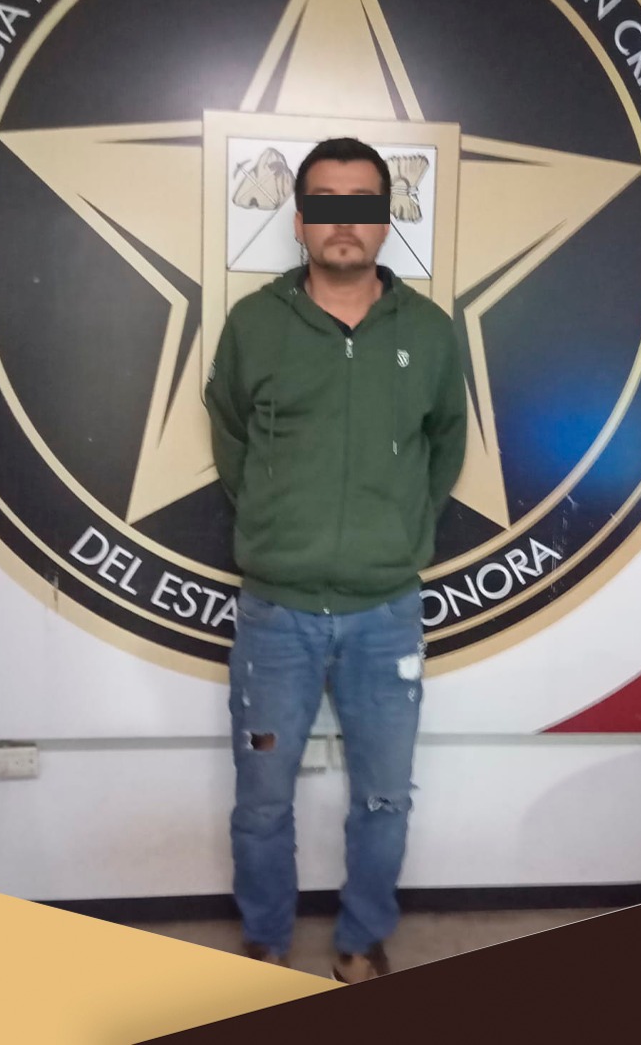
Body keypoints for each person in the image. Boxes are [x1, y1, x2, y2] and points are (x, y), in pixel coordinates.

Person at [204, 136, 468, 982]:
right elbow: (232, 439)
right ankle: (266, 939)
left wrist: (393, 534)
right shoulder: (254, 326)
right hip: (274, 619)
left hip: (385, 617)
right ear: (300, 219)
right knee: (261, 799)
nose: (343, 222)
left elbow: (445, 447)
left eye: (361, 204)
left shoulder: (428, 333)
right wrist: (281, 522)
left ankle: (361, 937)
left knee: (384, 797)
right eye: (325, 203)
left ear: (386, 220)